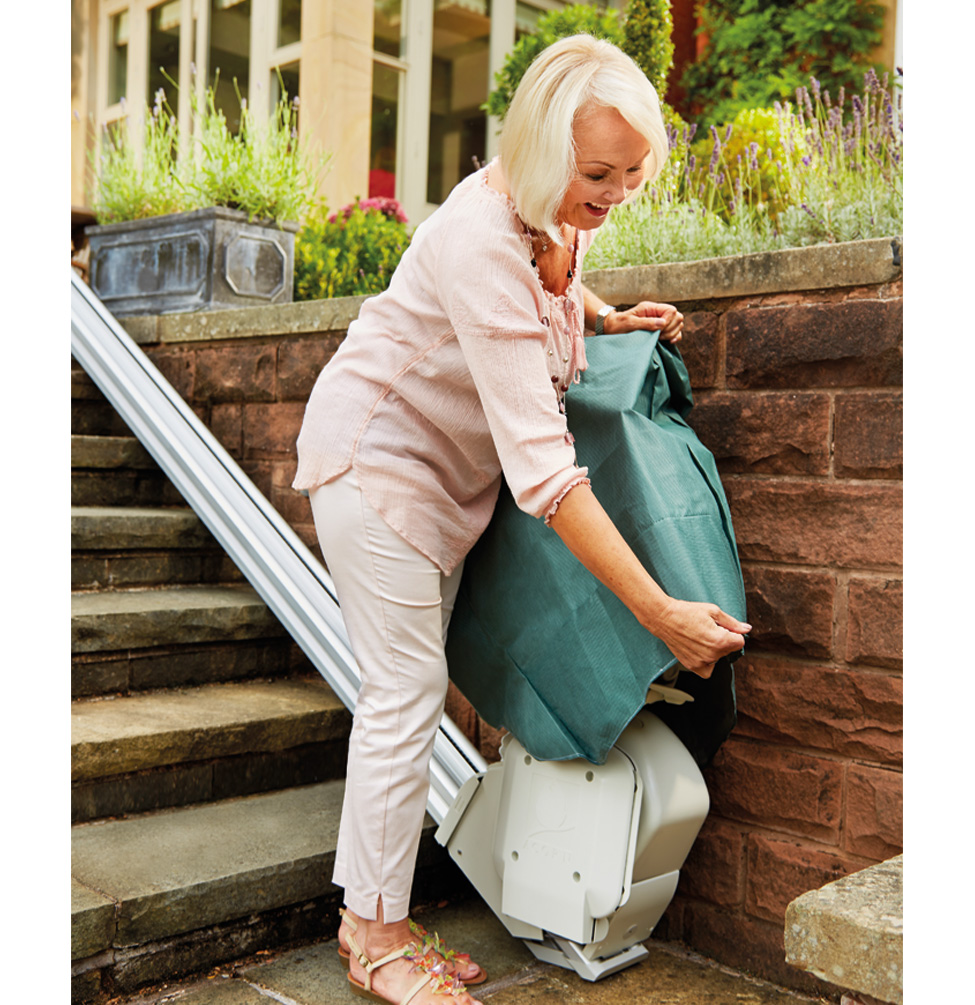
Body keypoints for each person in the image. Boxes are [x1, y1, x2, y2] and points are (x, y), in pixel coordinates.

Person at [293, 34, 751, 1005]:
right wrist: (659, 610)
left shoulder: (555, 210)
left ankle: (384, 919)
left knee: (413, 687)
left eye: (634, 172)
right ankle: (370, 939)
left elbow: (551, 280)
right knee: (406, 693)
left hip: (441, 476)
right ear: (547, 153)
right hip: (377, 463)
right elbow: (547, 479)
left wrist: (604, 314)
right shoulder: (476, 240)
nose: (617, 191)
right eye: (599, 173)